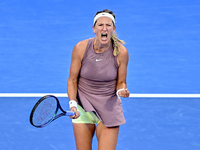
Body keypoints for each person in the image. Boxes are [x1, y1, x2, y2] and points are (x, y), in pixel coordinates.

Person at [67, 9, 129, 150]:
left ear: (113, 29)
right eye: (100, 25)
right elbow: (72, 80)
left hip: (109, 107)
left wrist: (121, 91)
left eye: (108, 25)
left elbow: (121, 82)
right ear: (94, 28)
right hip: (83, 107)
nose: (104, 28)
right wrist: (73, 104)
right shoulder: (80, 48)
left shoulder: (122, 52)